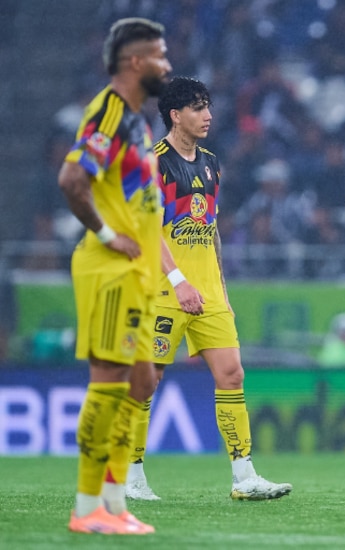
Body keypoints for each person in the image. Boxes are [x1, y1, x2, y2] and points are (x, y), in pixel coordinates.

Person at [122, 76, 292, 502]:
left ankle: (244, 476)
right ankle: (130, 474)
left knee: (232, 375)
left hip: (209, 292)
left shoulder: (212, 163)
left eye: (209, 107)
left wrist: (222, 289)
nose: (209, 116)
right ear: (175, 115)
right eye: (198, 108)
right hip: (163, 289)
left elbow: (209, 229)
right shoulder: (152, 162)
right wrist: (178, 281)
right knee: (148, 381)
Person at [57, 17, 170, 535]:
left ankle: (114, 501)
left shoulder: (136, 122)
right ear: (135, 62)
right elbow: (73, 177)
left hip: (142, 274)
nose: (167, 65)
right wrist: (106, 235)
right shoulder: (107, 111)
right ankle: (87, 509)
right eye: (161, 55)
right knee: (109, 381)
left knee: (142, 382)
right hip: (112, 270)